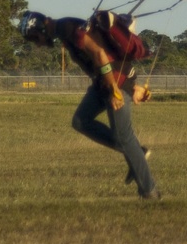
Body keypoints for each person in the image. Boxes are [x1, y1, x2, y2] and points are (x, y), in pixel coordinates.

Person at [19, 10, 160, 200]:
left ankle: (149, 191)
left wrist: (114, 90)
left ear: (42, 28)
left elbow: (100, 54)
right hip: (102, 83)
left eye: (35, 38)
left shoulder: (67, 28)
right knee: (80, 121)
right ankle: (136, 152)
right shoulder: (63, 30)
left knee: (123, 137)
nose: (38, 44)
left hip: (115, 83)